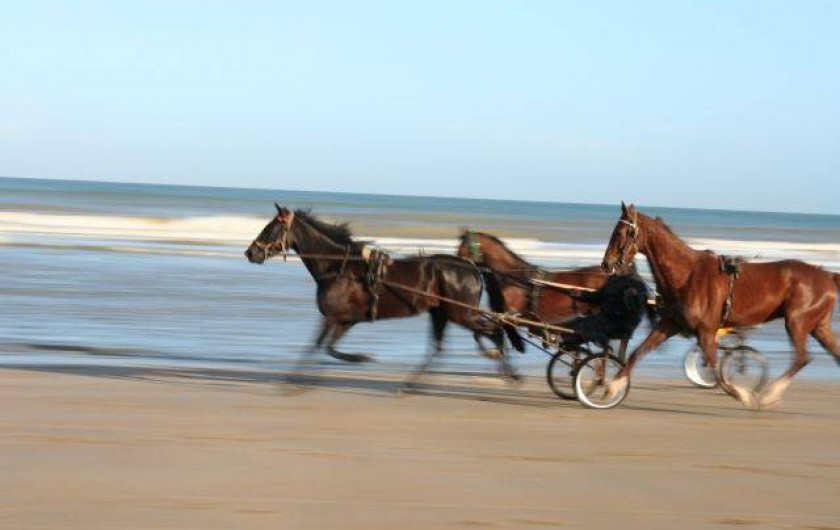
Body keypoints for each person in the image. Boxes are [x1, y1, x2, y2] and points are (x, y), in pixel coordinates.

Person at [558, 271, 650, 348]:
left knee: (586, 326)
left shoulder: (636, 284)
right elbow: (599, 296)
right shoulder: (614, 280)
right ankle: (559, 337)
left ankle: (560, 339)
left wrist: (630, 297)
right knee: (577, 321)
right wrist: (581, 294)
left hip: (621, 323)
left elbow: (637, 307)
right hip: (606, 317)